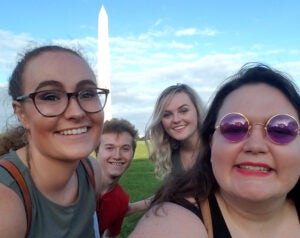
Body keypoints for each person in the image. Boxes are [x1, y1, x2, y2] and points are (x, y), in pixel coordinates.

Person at [130, 63, 300, 237]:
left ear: (197, 112)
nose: (255, 145)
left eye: (282, 129)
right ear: (212, 143)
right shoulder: (173, 160)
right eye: (234, 127)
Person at [0, 45, 109, 237]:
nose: (76, 112)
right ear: (21, 113)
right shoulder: (6, 202)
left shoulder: (92, 173)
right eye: (50, 96)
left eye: (87, 93)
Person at [95, 118, 150, 237]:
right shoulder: (75, 182)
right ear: (96, 151)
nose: (117, 156)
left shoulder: (121, 199)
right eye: (109, 148)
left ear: (132, 154)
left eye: (125, 149)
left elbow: (110, 235)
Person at [145, 83, 205, 179]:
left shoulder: (218, 147)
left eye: (183, 111)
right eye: (167, 115)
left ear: (197, 111)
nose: (176, 120)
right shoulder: (170, 158)